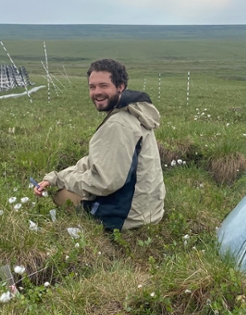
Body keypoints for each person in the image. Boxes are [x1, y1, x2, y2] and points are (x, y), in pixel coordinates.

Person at [35, 59, 165, 231]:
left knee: (61, 197)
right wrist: (55, 178)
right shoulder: (134, 113)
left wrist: (64, 182)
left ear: (120, 86)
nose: (97, 92)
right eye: (92, 87)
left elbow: (104, 182)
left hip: (129, 217)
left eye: (104, 86)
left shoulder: (118, 124)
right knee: (69, 186)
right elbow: (99, 160)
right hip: (149, 210)